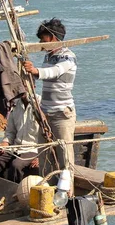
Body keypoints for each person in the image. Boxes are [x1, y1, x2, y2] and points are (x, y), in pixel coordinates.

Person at [22, 18, 77, 186]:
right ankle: (49, 188)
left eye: (43, 39)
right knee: (45, 154)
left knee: (65, 157)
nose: (41, 43)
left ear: (53, 38)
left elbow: (54, 72)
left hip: (62, 114)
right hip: (45, 114)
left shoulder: (69, 57)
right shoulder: (48, 56)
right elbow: (44, 75)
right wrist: (31, 72)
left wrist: (36, 70)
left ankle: (67, 193)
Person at [0, 95, 40, 183]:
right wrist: (5, 142)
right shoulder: (16, 105)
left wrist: (40, 157)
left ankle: (15, 193)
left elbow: (49, 135)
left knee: (16, 165)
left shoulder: (40, 104)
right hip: (16, 148)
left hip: (33, 150)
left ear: (32, 85)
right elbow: (10, 132)